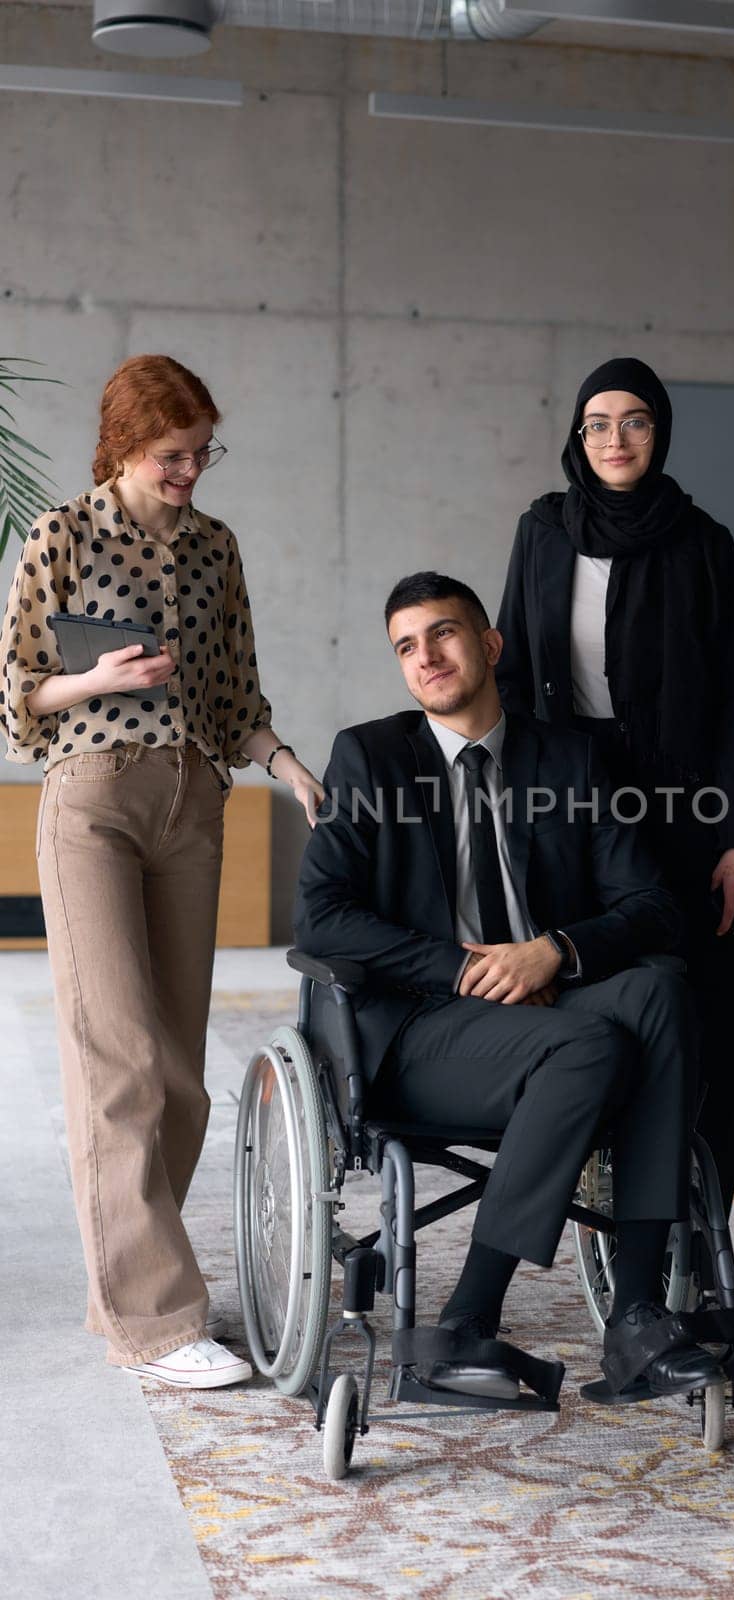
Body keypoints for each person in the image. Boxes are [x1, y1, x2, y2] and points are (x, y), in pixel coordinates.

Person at [294, 570, 724, 1406]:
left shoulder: (568, 757)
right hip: (424, 1027)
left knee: (661, 996)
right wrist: (462, 967)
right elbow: (321, 919)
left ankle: (636, 1313)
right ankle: (465, 1319)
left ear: (488, 645)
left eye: (444, 634)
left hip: (549, 1001)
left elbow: (652, 906)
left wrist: (551, 952)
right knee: (591, 1043)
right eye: (407, 647)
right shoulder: (371, 756)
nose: (427, 657)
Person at [0, 355, 324, 1388]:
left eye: (201, 452)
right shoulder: (63, 531)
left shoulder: (215, 548)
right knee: (122, 1059)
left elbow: (235, 692)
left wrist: (284, 760)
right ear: (124, 444)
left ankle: (127, 1287)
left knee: (182, 1077)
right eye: (170, 454)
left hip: (193, 798)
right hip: (91, 793)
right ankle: (156, 1320)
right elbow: (12, 690)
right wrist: (92, 677)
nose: (190, 470)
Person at [495, 357, 734, 1213]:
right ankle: (615, 1207)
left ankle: (703, 1233)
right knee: (595, 1003)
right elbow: (507, 671)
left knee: (710, 1022)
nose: (616, 438)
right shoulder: (542, 531)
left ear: (661, 432)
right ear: (578, 437)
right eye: (597, 423)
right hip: (567, 804)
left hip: (686, 809)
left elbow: (732, 701)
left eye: (635, 420)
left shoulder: (704, 542)